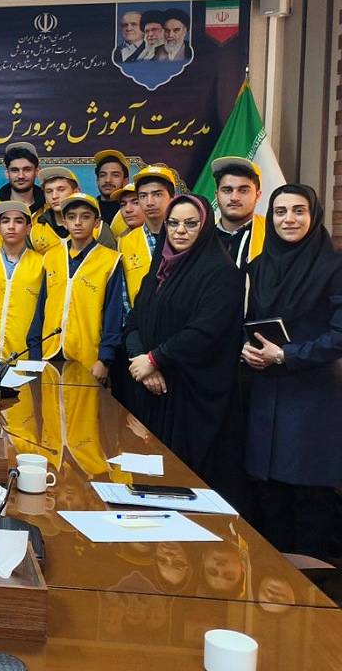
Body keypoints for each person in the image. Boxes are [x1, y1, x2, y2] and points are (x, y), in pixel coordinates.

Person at [242, 184, 342, 557]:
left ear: (313, 215)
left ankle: (311, 587)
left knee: (310, 498)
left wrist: (288, 355)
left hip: (313, 398)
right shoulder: (259, 266)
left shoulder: (334, 267)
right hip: (266, 396)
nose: (289, 219)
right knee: (269, 496)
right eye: (280, 211)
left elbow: (339, 335)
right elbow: (248, 322)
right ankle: (272, 581)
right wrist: (246, 349)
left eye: (299, 211)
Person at [124, 194, 244, 483]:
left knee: (182, 481)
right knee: (146, 479)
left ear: (205, 227)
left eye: (191, 224)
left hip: (191, 397)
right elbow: (134, 322)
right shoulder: (158, 270)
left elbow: (205, 331)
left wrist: (155, 359)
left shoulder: (222, 273)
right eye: (173, 223)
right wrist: (143, 362)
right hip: (150, 389)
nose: (180, 231)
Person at [40, 193, 124, 385]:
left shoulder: (110, 260)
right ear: (64, 222)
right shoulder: (51, 257)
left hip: (88, 355)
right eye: (71, 217)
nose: (78, 222)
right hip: (50, 351)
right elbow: (40, 309)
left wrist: (105, 359)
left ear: (97, 222)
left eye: (85, 217)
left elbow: (113, 313)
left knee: (87, 403)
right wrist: (36, 351)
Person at [0, 201, 45, 361]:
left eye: (18, 221)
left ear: (28, 228)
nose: (11, 226)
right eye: (5, 221)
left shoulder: (42, 265)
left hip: (26, 354)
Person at [119, 165, 175, 307]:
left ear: (172, 198)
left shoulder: (184, 237)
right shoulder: (124, 243)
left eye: (157, 194)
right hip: (140, 318)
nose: (150, 202)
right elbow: (123, 295)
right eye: (143, 196)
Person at [212, 157, 265, 270]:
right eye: (227, 190)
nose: (234, 197)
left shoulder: (272, 235)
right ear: (216, 195)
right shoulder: (202, 238)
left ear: (258, 195)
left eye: (244, 190)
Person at [0, 142, 45, 213]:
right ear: (7, 173)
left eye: (27, 170)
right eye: (15, 170)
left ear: (36, 172)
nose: (21, 176)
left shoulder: (48, 208)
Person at [93, 149, 129, 226]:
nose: (108, 180)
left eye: (115, 175)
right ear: (97, 180)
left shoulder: (132, 211)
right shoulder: (89, 210)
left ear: (125, 181)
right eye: (102, 175)